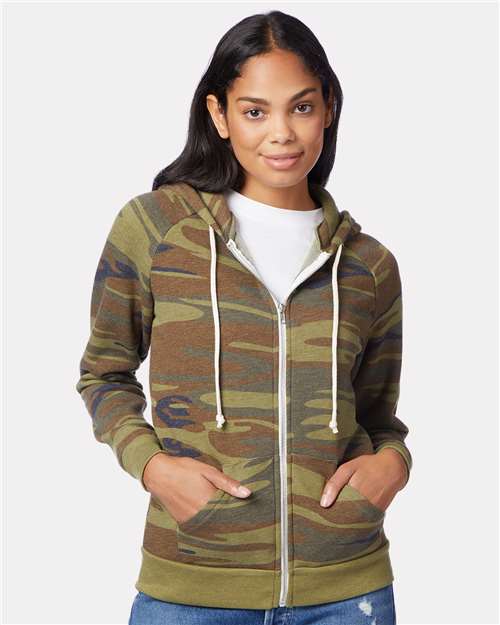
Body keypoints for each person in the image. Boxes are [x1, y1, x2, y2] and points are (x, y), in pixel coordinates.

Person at [76, 10, 412, 625]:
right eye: (255, 111)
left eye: (301, 107)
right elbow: (103, 374)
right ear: (219, 115)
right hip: (191, 587)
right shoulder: (156, 229)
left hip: (347, 589)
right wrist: (152, 466)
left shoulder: (368, 265)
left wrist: (394, 463)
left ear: (329, 108)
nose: (281, 133)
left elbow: (376, 416)